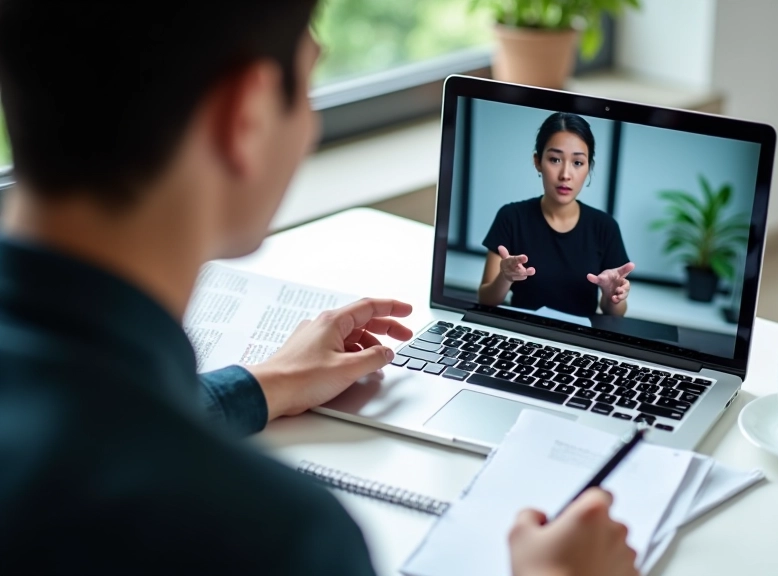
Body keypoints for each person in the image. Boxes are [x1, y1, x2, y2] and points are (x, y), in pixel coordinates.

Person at [0, 2, 639, 574]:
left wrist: (261, 384)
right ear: (244, 117)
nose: (308, 128)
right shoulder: (273, 539)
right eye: (308, 83)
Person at [478, 112, 635, 318]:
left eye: (577, 163)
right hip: (521, 334)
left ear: (589, 167)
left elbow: (615, 313)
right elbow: (486, 300)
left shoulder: (605, 227)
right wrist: (505, 277)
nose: (565, 175)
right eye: (555, 159)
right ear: (538, 161)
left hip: (580, 340)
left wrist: (611, 294)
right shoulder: (511, 217)